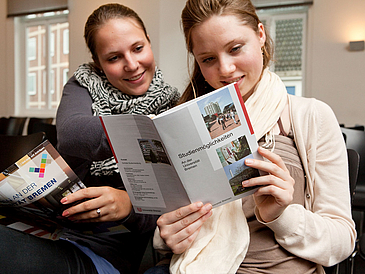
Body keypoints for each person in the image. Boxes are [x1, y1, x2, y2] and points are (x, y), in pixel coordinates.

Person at [147, 0, 356, 273]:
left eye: (235, 49)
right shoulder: (182, 126)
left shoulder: (310, 116)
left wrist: (281, 216)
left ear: (260, 34)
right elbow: (172, 227)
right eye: (208, 59)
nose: (225, 69)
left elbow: (342, 242)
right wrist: (167, 236)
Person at [0, 4, 179, 274]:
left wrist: (128, 205)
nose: (132, 64)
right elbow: (72, 135)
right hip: (44, 232)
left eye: (138, 48)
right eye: (114, 58)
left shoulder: (176, 107)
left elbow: (172, 205)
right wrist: (148, 130)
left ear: (149, 43)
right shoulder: (82, 85)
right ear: (98, 63)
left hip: (101, 254)